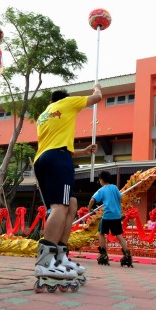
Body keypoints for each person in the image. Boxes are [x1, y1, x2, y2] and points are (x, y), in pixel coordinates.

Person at [33, 85, 102, 284]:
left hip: (46, 159)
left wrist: (84, 151)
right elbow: (96, 97)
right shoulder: (67, 103)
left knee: (70, 205)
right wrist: (97, 88)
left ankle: (60, 257)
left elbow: (58, 143)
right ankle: (45, 261)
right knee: (60, 207)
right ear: (65, 99)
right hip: (58, 159)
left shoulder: (44, 115)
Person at [88, 171, 133, 267]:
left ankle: (103, 254)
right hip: (116, 216)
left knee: (101, 233)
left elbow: (92, 200)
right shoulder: (114, 188)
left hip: (107, 215)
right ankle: (127, 254)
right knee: (119, 235)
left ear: (101, 180)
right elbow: (121, 198)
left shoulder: (102, 190)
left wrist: (89, 209)